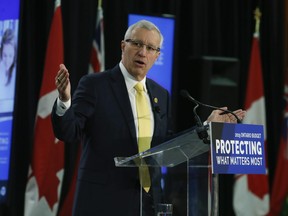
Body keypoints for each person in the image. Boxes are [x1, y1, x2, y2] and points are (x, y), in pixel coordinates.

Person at [51, 20, 246, 216]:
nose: (142, 52)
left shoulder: (160, 94)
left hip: (148, 203)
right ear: (123, 46)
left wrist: (206, 128)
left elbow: (166, 146)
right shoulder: (95, 85)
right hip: (103, 201)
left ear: (157, 55)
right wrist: (64, 100)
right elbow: (69, 131)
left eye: (150, 48)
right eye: (137, 44)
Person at [0, 28, 17, 112]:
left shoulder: (16, 74)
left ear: (14, 55)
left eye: (10, 56)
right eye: (4, 55)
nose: (7, 61)